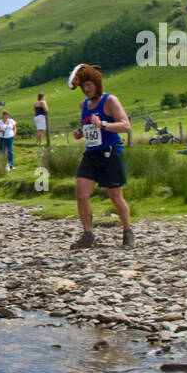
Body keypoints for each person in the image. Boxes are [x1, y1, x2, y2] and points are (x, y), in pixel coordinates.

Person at [68, 63, 132, 249]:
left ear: (97, 83)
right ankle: (88, 234)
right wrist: (81, 132)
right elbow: (90, 127)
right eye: (83, 86)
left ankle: (128, 231)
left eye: (89, 85)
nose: (86, 90)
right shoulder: (84, 105)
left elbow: (125, 126)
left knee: (115, 196)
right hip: (91, 153)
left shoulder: (110, 101)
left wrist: (103, 124)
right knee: (81, 193)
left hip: (110, 152)